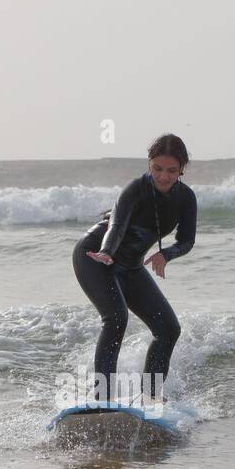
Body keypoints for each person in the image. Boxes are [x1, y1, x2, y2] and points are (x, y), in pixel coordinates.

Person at [73, 133, 196, 403]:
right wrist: (106, 252)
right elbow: (116, 226)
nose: (164, 176)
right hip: (95, 256)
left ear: (182, 169)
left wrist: (166, 254)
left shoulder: (186, 198)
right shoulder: (135, 189)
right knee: (116, 318)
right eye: (157, 168)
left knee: (168, 329)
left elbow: (187, 240)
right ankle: (100, 398)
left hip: (130, 267)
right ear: (149, 164)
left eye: (172, 170)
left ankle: (149, 397)